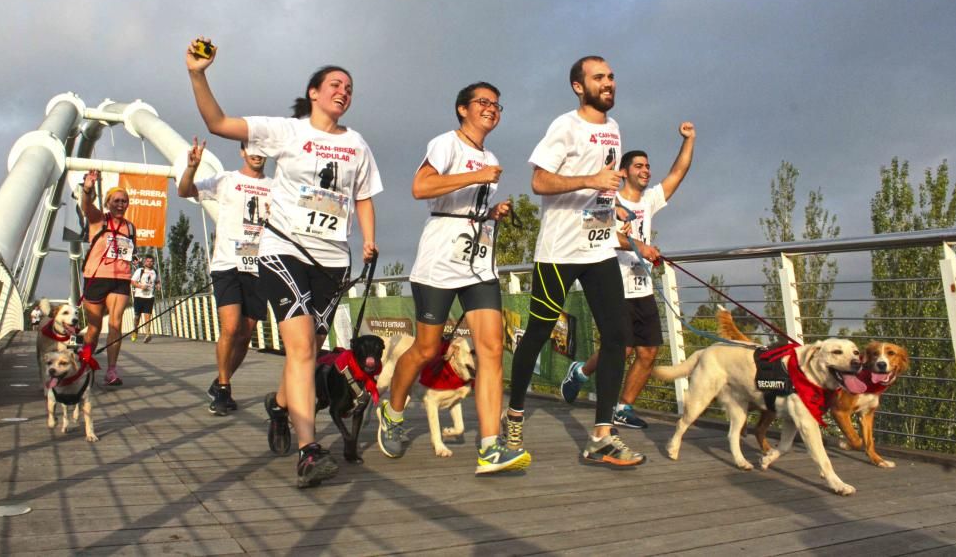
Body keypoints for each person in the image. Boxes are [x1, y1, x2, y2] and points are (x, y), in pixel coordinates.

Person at [186, 37, 382, 488]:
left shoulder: (358, 145)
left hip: (332, 260)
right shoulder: (288, 132)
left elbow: (364, 197)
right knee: (300, 349)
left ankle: (278, 405)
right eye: (335, 84)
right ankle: (309, 450)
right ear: (313, 93)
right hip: (283, 251)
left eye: (349, 87)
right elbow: (218, 123)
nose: (344, 91)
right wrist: (198, 74)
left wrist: (370, 239)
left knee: (310, 351)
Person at [376, 82, 532, 474]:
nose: (492, 109)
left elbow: (467, 204)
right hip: (439, 261)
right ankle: (392, 414)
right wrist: (475, 175)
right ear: (463, 109)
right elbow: (420, 188)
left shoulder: (490, 155)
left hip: (477, 264)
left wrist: (492, 211)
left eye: (497, 104)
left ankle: (490, 447)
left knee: (492, 348)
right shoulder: (447, 143)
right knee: (428, 350)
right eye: (484, 102)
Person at [505, 56, 645, 468]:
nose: (608, 83)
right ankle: (514, 414)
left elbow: (603, 184)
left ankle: (602, 435)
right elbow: (539, 182)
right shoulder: (565, 126)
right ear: (578, 86)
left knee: (618, 335)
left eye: (612, 77)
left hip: (598, 248)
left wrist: (613, 206)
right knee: (536, 335)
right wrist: (591, 181)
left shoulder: (614, 129)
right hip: (559, 253)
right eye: (599, 78)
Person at [560, 123, 696, 429]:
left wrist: (689, 140)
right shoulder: (606, 200)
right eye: (639, 165)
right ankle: (581, 373)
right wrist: (639, 245)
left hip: (642, 286)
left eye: (648, 166)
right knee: (620, 349)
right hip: (612, 283)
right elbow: (593, 232)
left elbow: (678, 173)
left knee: (647, 352)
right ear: (624, 171)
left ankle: (624, 407)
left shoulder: (648, 200)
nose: (646, 170)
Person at [177, 138, 272, 416]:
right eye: (251, 148)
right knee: (230, 328)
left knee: (246, 334)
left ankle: (221, 380)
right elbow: (185, 191)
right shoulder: (226, 180)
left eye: (261, 149)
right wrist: (191, 167)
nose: (256, 154)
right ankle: (224, 388)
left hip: (259, 265)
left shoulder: (275, 186)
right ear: (242, 151)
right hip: (227, 264)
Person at [80, 170, 135, 386]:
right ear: (108, 203)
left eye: (124, 201)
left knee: (115, 323)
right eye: (116, 201)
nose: (120, 204)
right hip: (96, 277)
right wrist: (87, 188)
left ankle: (111, 370)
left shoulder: (130, 227)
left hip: (120, 278)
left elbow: (129, 251)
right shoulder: (98, 219)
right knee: (94, 327)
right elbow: (86, 205)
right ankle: (85, 362)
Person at [130, 254, 161, 343]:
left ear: (153, 262)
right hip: (139, 296)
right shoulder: (140, 270)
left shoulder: (155, 271)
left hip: (149, 297)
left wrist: (158, 285)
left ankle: (148, 334)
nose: (149, 263)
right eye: (148, 261)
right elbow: (132, 282)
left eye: (151, 261)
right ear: (144, 262)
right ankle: (135, 331)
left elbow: (157, 280)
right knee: (137, 317)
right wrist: (140, 286)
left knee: (148, 317)